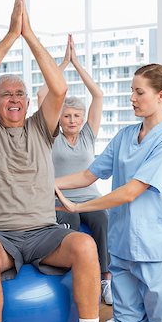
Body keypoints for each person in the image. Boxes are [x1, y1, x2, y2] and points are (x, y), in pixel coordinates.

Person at [0, 0, 125, 322]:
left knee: (86, 246)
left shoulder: (41, 127)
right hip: (0, 234)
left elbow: (58, 89)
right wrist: (9, 35)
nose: (15, 99)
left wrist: (30, 36)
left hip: (43, 229)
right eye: (6, 95)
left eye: (20, 93)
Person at [55, 63, 162, 322]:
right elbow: (89, 174)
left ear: (160, 96)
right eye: (132, 91)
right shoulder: (125, 136)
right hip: (123, 244)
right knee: (126, 320)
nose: (132, 98)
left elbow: (130, 192)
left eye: (140, 92)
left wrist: (78, 207)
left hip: (157, 245)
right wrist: (50, 184)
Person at [37, 34, 112, 305]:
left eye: (76, 116)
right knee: (74, 225)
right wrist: (63, 63)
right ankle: (73, 281)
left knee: (102, 220)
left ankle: (105, 279)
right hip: (59, 199)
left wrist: (78, 64)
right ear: (60, 117)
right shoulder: (50, 134)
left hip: (90, 199)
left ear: (82, 119)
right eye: (66, 115)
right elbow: (43, 94)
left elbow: (98, 95)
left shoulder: (88, 135)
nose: (71, 120)